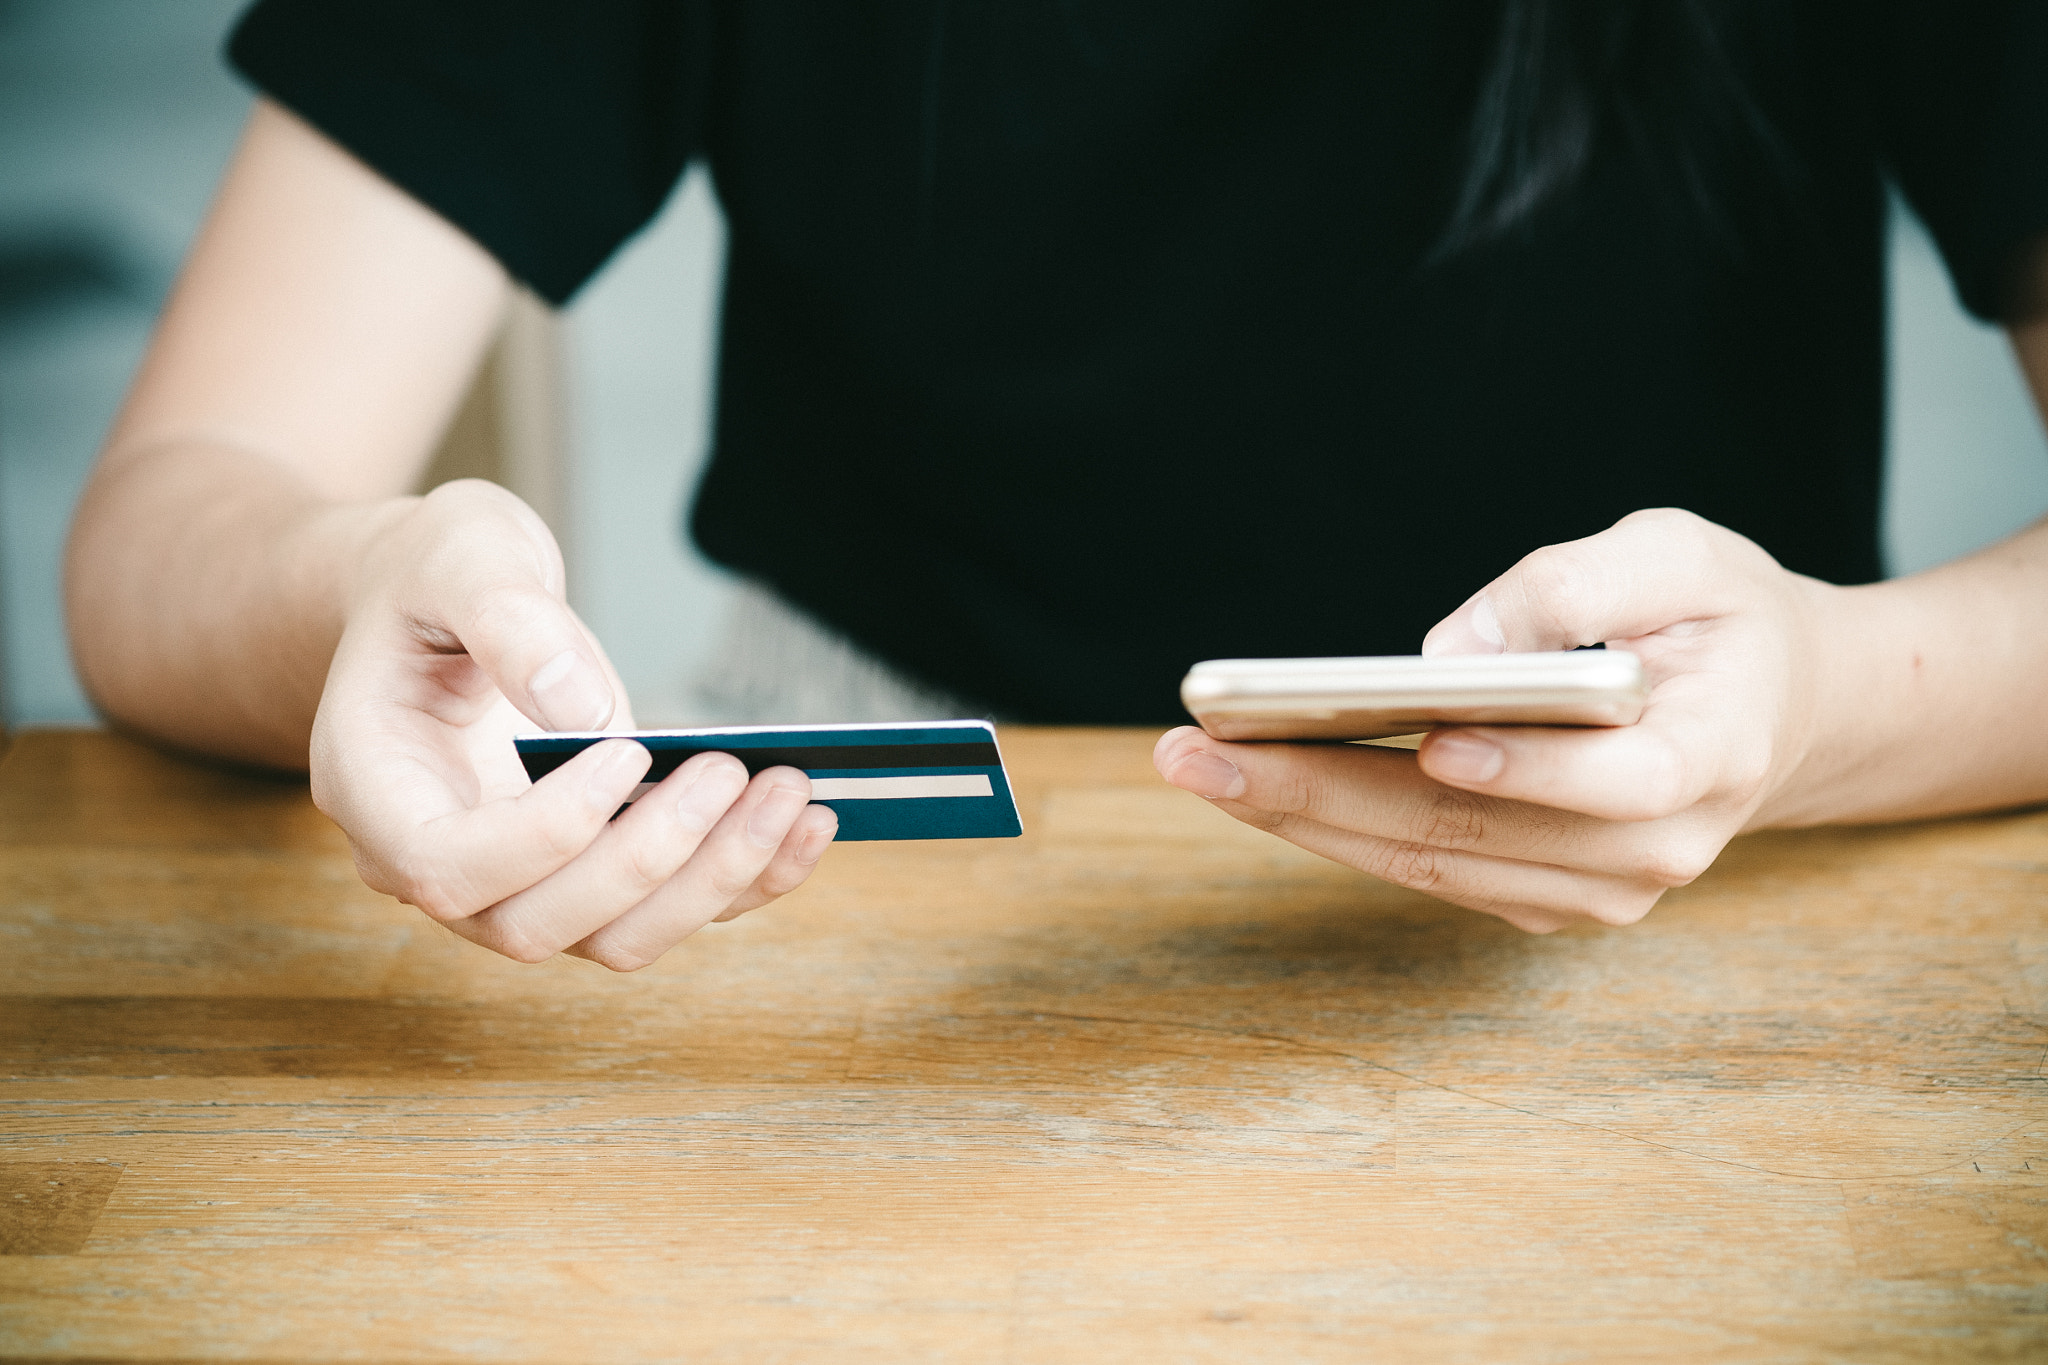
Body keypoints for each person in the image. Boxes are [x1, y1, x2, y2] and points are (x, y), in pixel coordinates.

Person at [65, 1, 2048, 961]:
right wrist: (357, 591)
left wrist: (1810, 704)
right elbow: (167, 519)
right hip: (834, 837)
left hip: (1727, 851)